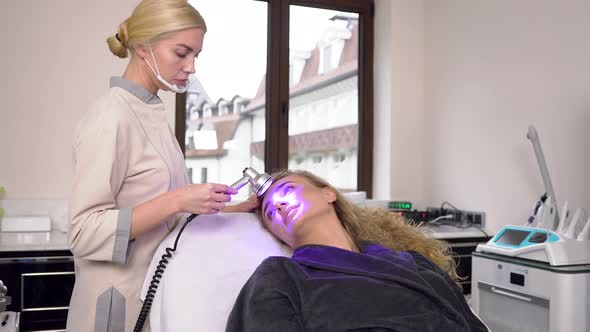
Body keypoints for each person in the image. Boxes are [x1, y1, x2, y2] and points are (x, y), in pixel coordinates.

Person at [67, 1, 256, 331]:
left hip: (150, 297)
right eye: (181, 53)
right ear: (143, 47)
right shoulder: (111, 117)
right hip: (113, 308)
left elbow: (164, 218)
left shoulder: (150, 115)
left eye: (196, 55)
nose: (191, 67)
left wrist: (237, 209)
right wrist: (178, 198)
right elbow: (84, 232)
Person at [226, 170, 489, 332]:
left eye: (288, 191)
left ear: (328, 194)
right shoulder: (279, 276)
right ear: (275, 232)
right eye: (270, 212)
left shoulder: (412, 263)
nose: (280, 205)